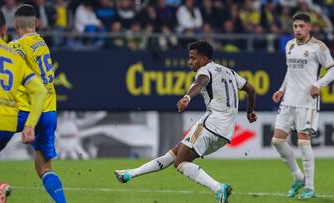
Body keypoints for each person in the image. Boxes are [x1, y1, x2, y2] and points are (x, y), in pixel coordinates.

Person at [115, 40, 257, 203]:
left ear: (204, 59)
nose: (190, 61)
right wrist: (250, 111)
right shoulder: (230, 72)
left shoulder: (205, 70)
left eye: (193, 58)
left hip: (210, 124)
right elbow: (251, 89)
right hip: (226, 132)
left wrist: (187, 97)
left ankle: (219, 188)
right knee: (174, 153)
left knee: (180, 162)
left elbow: (200, 82)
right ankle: (130, 174)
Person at [0, 8, 47, 203]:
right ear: (4, 30)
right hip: (8, 124)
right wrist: (30, 124)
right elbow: (40, 90)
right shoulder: (13, 54)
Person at [271, 12, 334, 199]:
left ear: (309, 27)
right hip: (288, 100)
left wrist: (318, 84)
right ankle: (298, 176)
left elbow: (332, 69)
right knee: (277, 141)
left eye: (301, 26)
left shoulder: (318, 47)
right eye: (295, 26)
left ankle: (310, 187)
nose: (297, 29)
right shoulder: (289, 45)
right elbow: (290, 72)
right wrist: (281, 89)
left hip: (307, 102)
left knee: (303, 142)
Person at [8, 4, 66, 203]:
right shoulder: (42, 44)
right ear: (36, 23)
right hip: (48, 112)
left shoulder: (14, 46)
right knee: (44, 169)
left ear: (15, 25)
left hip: (24, 111)